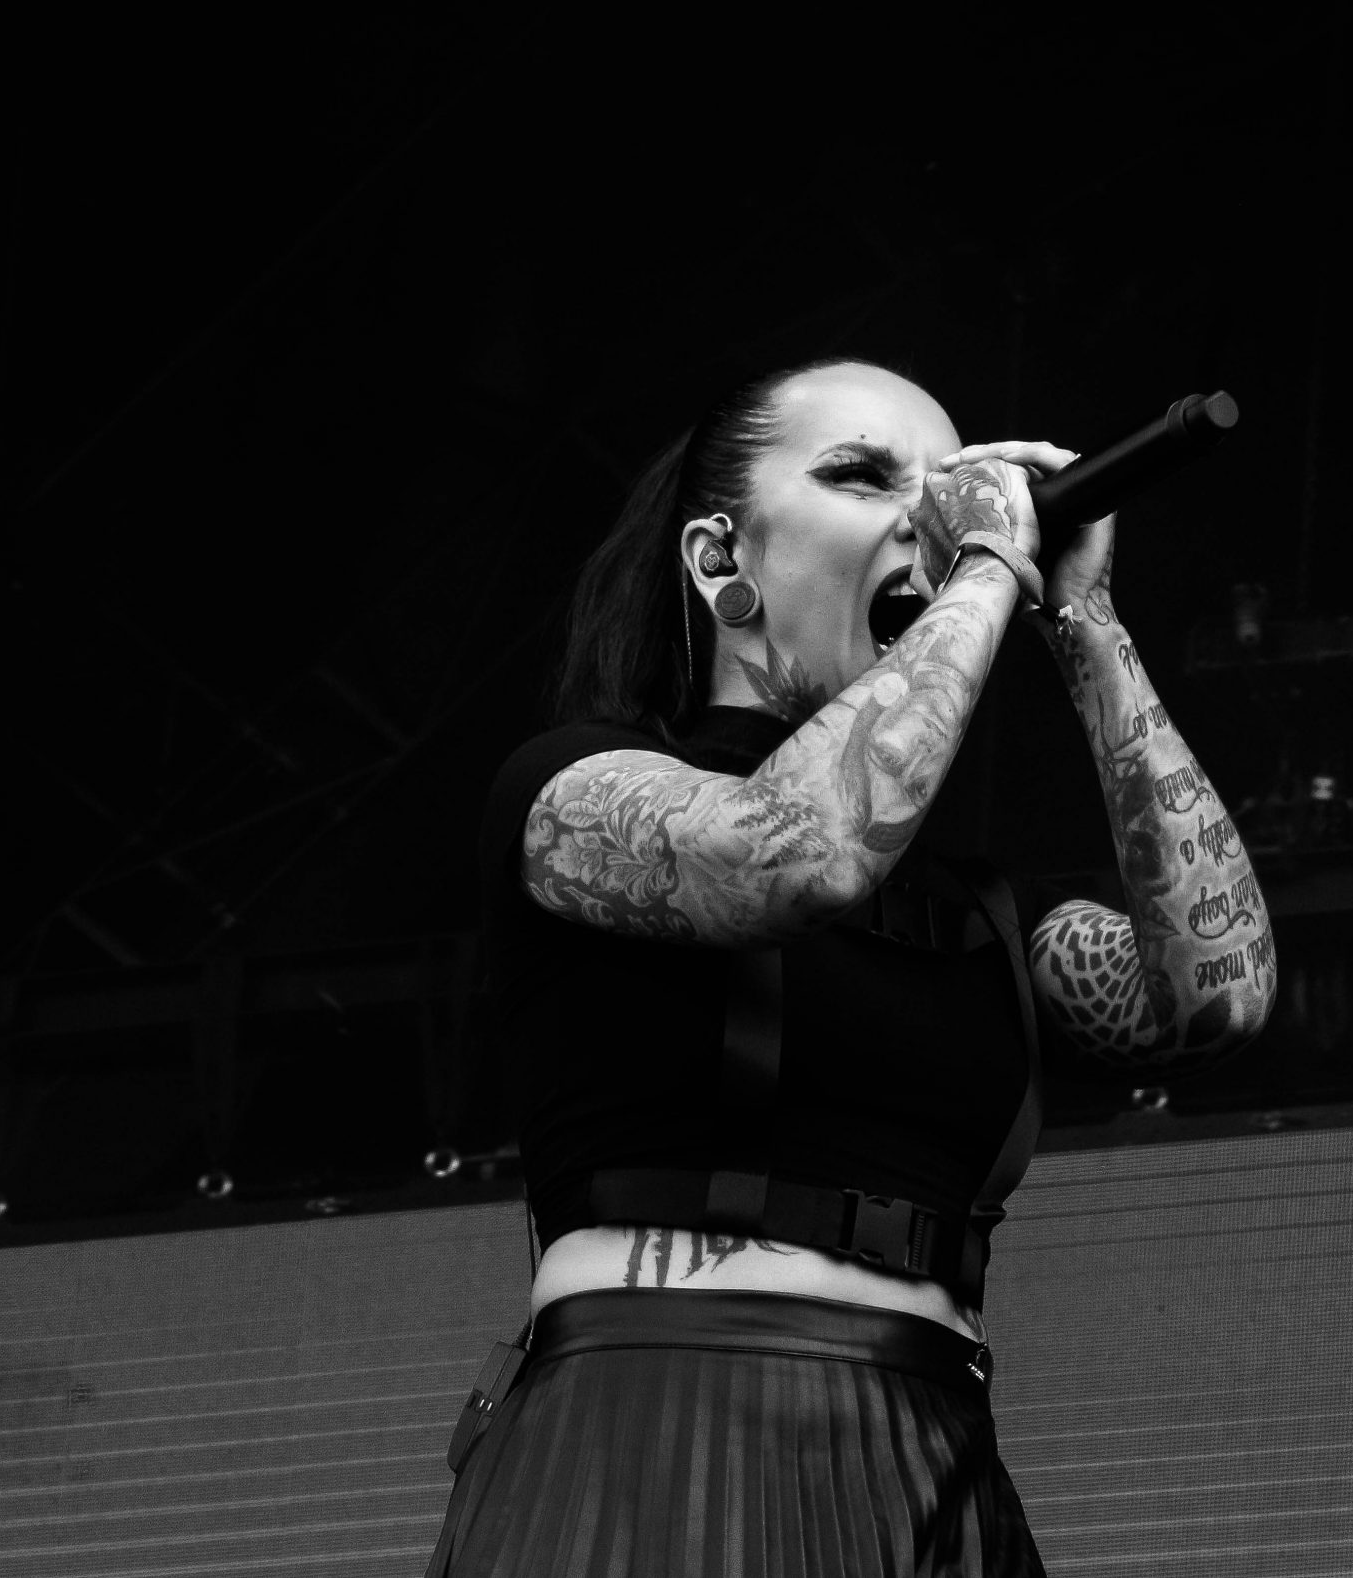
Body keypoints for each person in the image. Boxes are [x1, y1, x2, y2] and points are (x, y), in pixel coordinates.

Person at [428, 358, 1276, 1577]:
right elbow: (796, 854)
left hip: (936, 1451)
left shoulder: (976, 908)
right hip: (664, 1418)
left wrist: (1084, 622)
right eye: (862, 476)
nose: (928, 515)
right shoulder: (574, 786)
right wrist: (987, 564)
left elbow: (1215, 998)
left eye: (944, 487)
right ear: (718, 558)